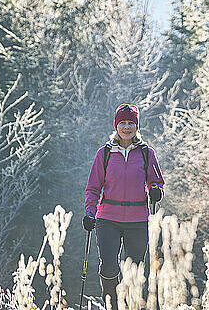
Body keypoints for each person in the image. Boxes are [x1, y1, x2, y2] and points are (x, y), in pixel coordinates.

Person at [82, 103, 164, 310]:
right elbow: (93, 188)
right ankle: (112, 305)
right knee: (109, 266)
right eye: (122, 123)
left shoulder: (146, 153)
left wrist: (156, 190)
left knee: (135, 270)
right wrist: (90, 213)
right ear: (116, 126)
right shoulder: (105, 153)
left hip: (137, 220)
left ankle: (130, 304)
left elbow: (156, 181)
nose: (126, 127)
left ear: (137, 126)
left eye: (131, 123)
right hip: (108, 219)